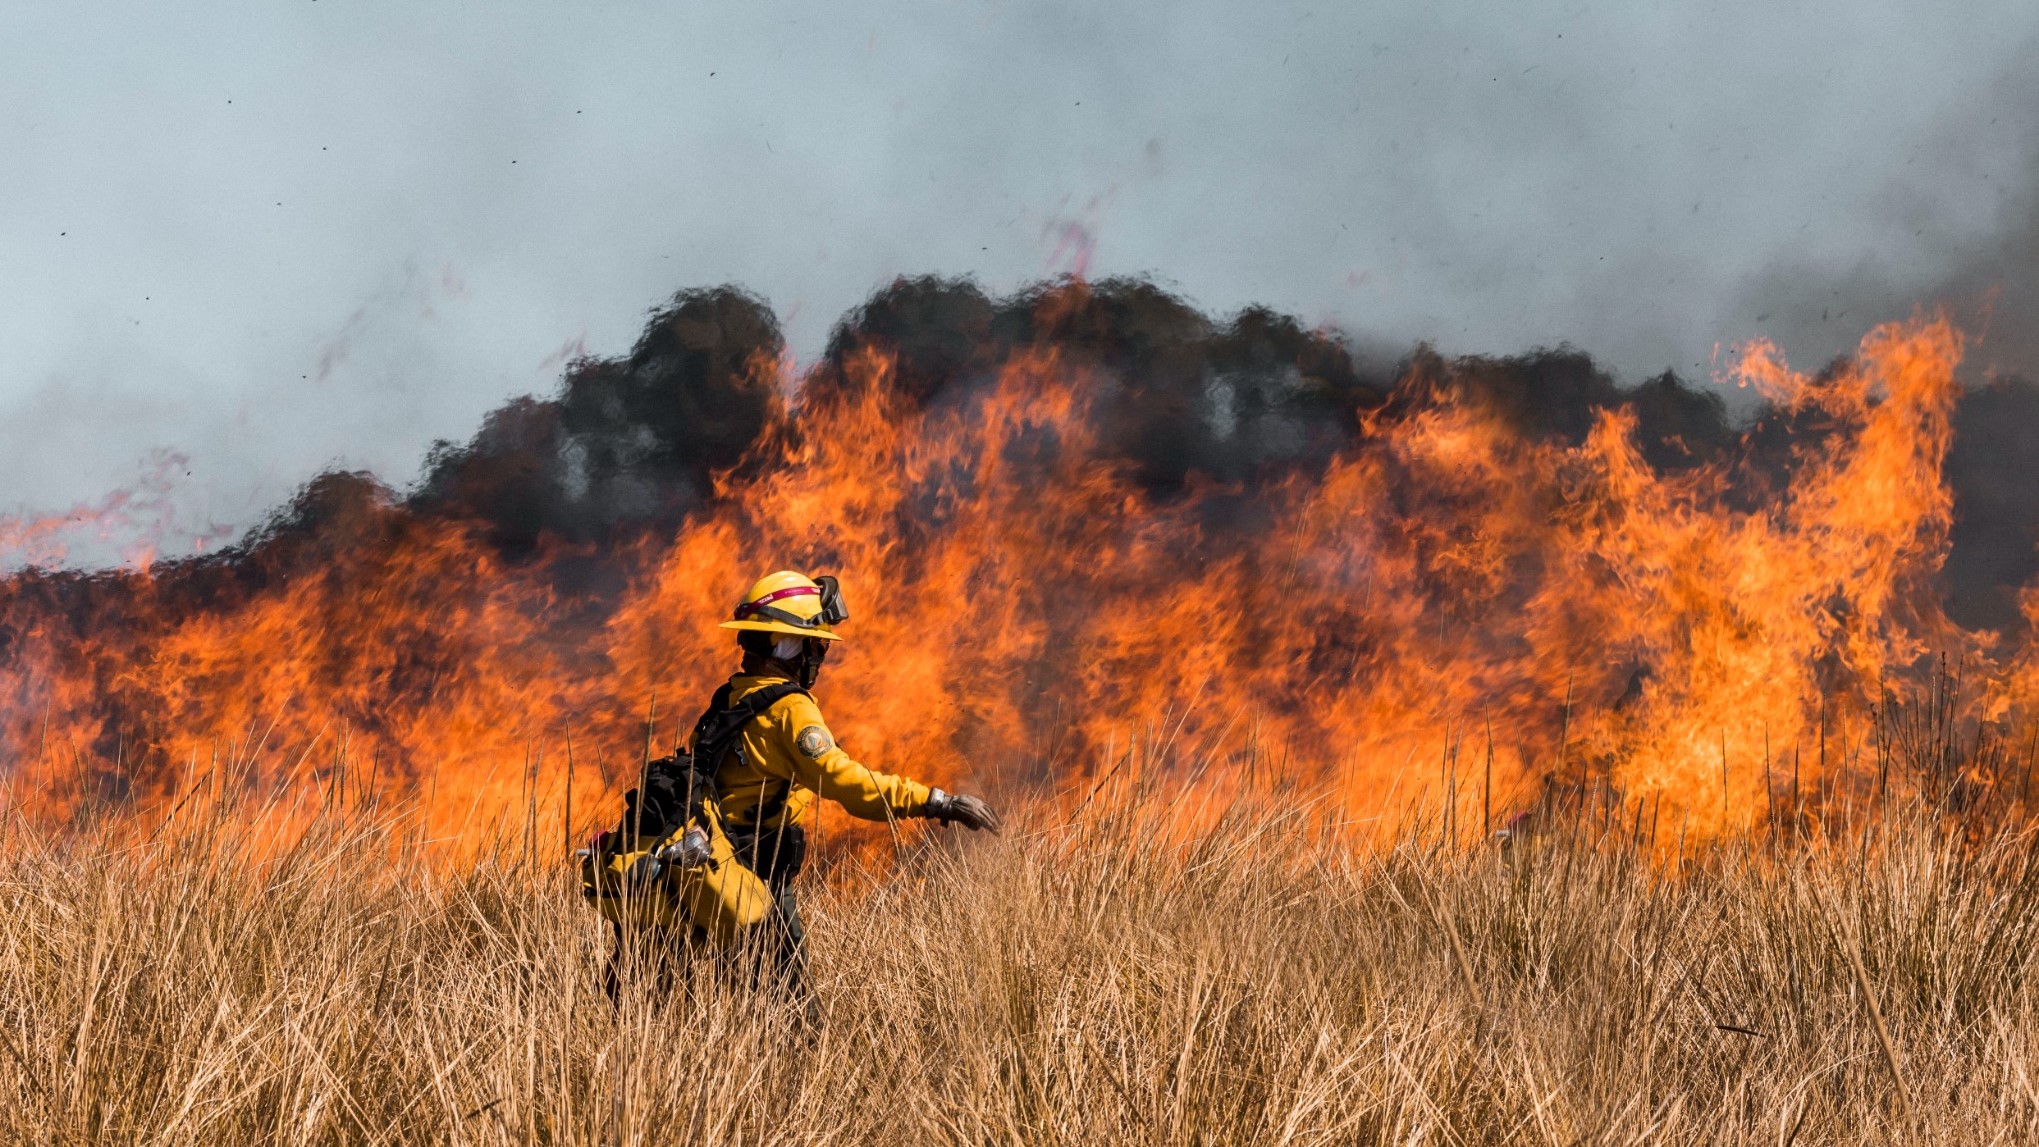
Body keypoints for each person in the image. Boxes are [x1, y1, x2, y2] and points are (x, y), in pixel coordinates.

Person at [590, 570, 999, 1012]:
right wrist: (937, 801)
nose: (818, 658)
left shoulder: (728, 698)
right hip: (750, 872)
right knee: (790, 1014)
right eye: (817, 646)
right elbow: (847, 783)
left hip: (705, 866)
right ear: (789, 645)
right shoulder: (789, 710)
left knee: (660, 1006)